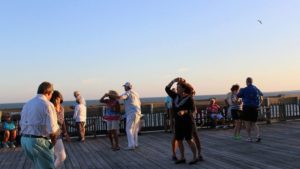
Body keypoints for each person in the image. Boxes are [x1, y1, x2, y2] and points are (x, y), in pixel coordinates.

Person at [20, 82, 60, 169]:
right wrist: (53, 143)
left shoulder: (27, 104)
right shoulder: (47, 104)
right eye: (51, 94)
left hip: (25, 140)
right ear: (49, 92)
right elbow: (52, 130)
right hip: (38, 142)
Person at [165, 77, 198, 165]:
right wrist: (173, 81)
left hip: (187, 122)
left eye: (178, 87)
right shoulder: (175, 96)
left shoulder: (189, 98)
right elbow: (167, 88)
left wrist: (184, 111)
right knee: (179, 139)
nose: (177, 88)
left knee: (189, 139)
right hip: (178, 122)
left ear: (183, 89)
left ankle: (195, 157)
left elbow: (193, 110)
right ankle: (182, 157)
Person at [109, 82, 142, 150]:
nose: (124, 88)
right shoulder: (136, 93)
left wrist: (110, 95)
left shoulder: (127, 93)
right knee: (135, 130)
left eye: (125, 87)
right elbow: (137, 103)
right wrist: (124, 115)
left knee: (128, 129)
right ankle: (135, 144)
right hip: (138, 112)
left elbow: (120, 97)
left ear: (127, 87)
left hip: (131, 114)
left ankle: (131, 145)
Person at [238, 77, 263, 142]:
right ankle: (258, 136)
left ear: (247, 82)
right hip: (255, 107)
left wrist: (241, 91)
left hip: (247, 107)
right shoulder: (256, 89)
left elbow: (238, 95)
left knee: (247, 123)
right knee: (254, 123)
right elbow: (261, 95)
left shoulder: (244, 89)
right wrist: (259, 103)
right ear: (252, 81)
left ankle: (249, 138)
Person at [50, 90, 67, 169]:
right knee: (53, 156)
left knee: (61, 156)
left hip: (58, 134)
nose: (57, 100)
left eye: (58, 98)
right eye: (55, 98)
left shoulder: (62, 108)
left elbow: (62, 121)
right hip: (50, 134)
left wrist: (65, 132)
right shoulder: (51, 108)